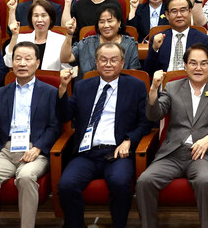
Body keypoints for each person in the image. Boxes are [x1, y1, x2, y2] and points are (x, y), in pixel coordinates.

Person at [136, 44, 208, 228]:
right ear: (185, 66)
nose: (198, 68)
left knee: (204, 181)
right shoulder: (173, 87)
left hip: (203, 154)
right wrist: (153, 91)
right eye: (193, 63)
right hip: (172, 153)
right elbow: (154, 115)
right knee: (144, 181)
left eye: (204, 63)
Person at [55, 43, 152, 228]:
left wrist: (129, 140)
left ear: (122, 63)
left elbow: (146, 123)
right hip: (87, 152)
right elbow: (64, 115)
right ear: (96, 63)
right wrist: (62, 90)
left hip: (117, 153)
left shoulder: (136, 86)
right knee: (66, 186)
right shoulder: (83, 86)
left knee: (120, 183)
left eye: (114, 60)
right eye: (103, 60)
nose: (108, 64)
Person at [0, 42, 61, 228]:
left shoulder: (50, 92)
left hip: (35, 149)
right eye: (18, 59)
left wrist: (38, 148)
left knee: (25, 177)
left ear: (37, 63)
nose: (22, 63)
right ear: (12, 63)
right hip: (6, 149)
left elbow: (55, 127)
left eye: (28, 59)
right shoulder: (2, 92)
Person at [5, 0, 67, 71]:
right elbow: (8, 62)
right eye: (36, 16)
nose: (39, 20)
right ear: (31, 19)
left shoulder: (61, 40)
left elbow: (67, 68)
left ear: (51, 19)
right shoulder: (21, 38)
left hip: (51, 81)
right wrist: (14, 36)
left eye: (43, 15)